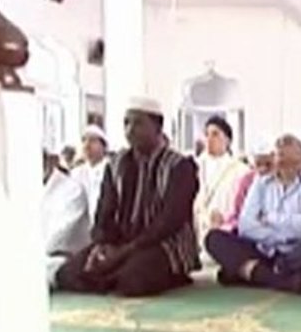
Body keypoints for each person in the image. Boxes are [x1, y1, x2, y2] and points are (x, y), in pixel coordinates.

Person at [55, 96, 200, 297]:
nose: (130, 130)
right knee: (65, 274)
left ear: (158, 127)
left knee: (132, 280)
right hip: (120, 243)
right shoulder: (116, 164)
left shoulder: (180, 166)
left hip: (164, 244)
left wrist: (123, 253)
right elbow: (104, 213)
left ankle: (128, 275)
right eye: (126, 123)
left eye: (138, 123)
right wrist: (101, 246)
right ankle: (113, 274)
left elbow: (168, 223)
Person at [205, 134, 301, 292]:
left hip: (294, 252)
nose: (284, 167)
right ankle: (279, 279)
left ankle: (250, 272)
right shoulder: (261, 183)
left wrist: (271, 219)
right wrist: (281, 235)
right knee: (214, 238)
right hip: (262, 250)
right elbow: (246, 225)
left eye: (291, 163)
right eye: (281, 161)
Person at [193, 116, 249, 257]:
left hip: (225, 227)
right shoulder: (193, 166)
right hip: (198, 226)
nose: (210, 139)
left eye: (215, 134)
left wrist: (225, 219)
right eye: (207, 134)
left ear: (228, 140)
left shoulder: (240, 170)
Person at [42, 150, 91, 288]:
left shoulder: (72, 189)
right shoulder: (26, 190)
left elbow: (57, 238)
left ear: (50, 162)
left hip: (63, 258)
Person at [223, 139, 275, 232]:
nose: (263, 169)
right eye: (259, 164)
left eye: (268, 165)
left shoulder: (282, 180)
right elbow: (236, 212)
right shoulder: (247, 180)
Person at [69, 124, 109, 223]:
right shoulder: (76, 173)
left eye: (92, 141)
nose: (87, 145)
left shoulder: (111, 170)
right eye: (84, 141)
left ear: (103, 146)